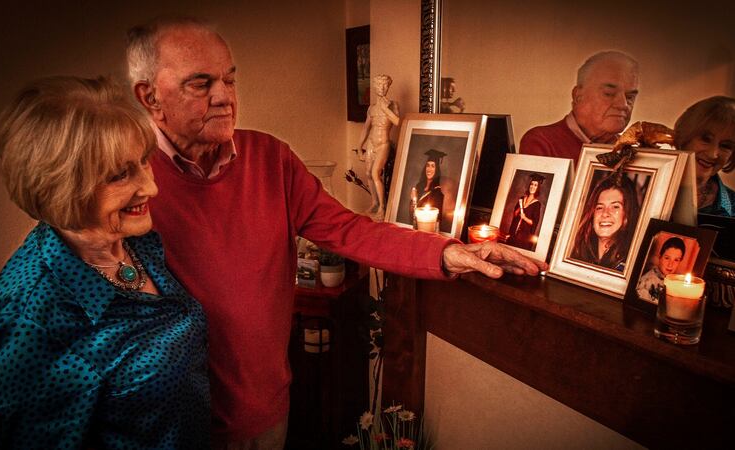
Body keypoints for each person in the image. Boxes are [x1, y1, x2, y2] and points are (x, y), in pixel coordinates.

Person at [125, 17, 546, 448]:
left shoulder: (270, 158)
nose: (225, 97)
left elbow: (350, 231)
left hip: (264, 411)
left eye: (230, 80)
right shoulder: (124, 178)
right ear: (150, 97)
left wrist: (446, 252)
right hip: (167, 426)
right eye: (201, 83)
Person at [0, 76, 209, 449]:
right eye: (120, 175)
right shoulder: (32, 317)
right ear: (62, 187)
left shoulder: (136, 239)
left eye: (143, 162)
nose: (151, 187)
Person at [519, 51, 639, 165]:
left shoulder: (630, 152)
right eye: (609, 93)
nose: (623, 104)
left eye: (630, 97)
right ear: (578, 96)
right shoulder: (542, 142)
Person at [674, 96, 735, 220]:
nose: (713, 154)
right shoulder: (648, 188)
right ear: (685, 137)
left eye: (725, 146)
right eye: (706, 139)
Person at [570, 173, 640, 271]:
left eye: (615, 206)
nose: (605, 213)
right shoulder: (574, 251)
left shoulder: (632, 262)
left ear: (628, 214)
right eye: (599, 207)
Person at [355, 74, 400, 220]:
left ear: (388, 87)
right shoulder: (371, 109)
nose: (382, 88)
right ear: (375, 87)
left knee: (376, 173)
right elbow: (366, 129)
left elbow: (398, 122)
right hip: (371, 143)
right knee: (368, 173)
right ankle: (374, 202)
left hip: (383, 144)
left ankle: (382, 207)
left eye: (385, 85)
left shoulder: (393, 105)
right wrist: (359, 147)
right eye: (380, 85)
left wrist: (385, 108)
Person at [636, 236, 686, 303]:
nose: (670, 264)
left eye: (676, 260)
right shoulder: (646, 282)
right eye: (667, 258)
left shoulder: (679, 283)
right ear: (660, 257)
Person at [507, 173, 545, 250]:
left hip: (524, 235)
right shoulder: (522, 199)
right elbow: (515, 214)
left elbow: (534, 222)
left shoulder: (537, 204)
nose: (532, 187)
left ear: (538, 188)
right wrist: (520, 208)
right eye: (532, 184)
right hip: (514, 231)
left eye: (535, 185)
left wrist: (524, 218)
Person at [410, 149, 446, 228]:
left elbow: (436, 220)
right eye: (428, 165)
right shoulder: (419, 186)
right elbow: (411, 215)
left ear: (436, 170)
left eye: (433, 166)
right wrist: (413, 200)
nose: (429, 169)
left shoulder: (437, 193)